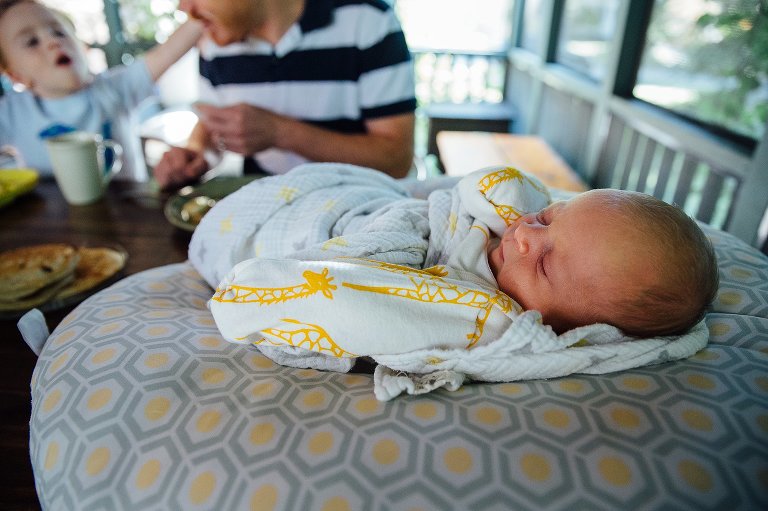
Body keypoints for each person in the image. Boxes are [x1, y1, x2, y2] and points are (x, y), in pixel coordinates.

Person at [189, 163, 719, 339]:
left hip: (355, 237)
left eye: (546, 262)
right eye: (549, 217)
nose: (526, 235)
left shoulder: (473, 306)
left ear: (576, 328)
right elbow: (488, 188)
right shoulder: (515, 230)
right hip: (360, 202)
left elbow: (367, 295)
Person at [153, 0, 416, 190]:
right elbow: (211, 125)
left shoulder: (369, 21)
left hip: (358, 214)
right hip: (264, 214)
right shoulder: (215, 41)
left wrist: (281, 133)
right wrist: (198, 154)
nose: (184, 8)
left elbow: (396, 160)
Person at [0, 0, 202, 179]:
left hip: (127, 214)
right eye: (32, 42)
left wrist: (205, 10)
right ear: (16, 76)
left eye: (59, 32)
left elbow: (166, 53)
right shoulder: (11, 112)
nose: (53, 42)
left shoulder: (114, 88)